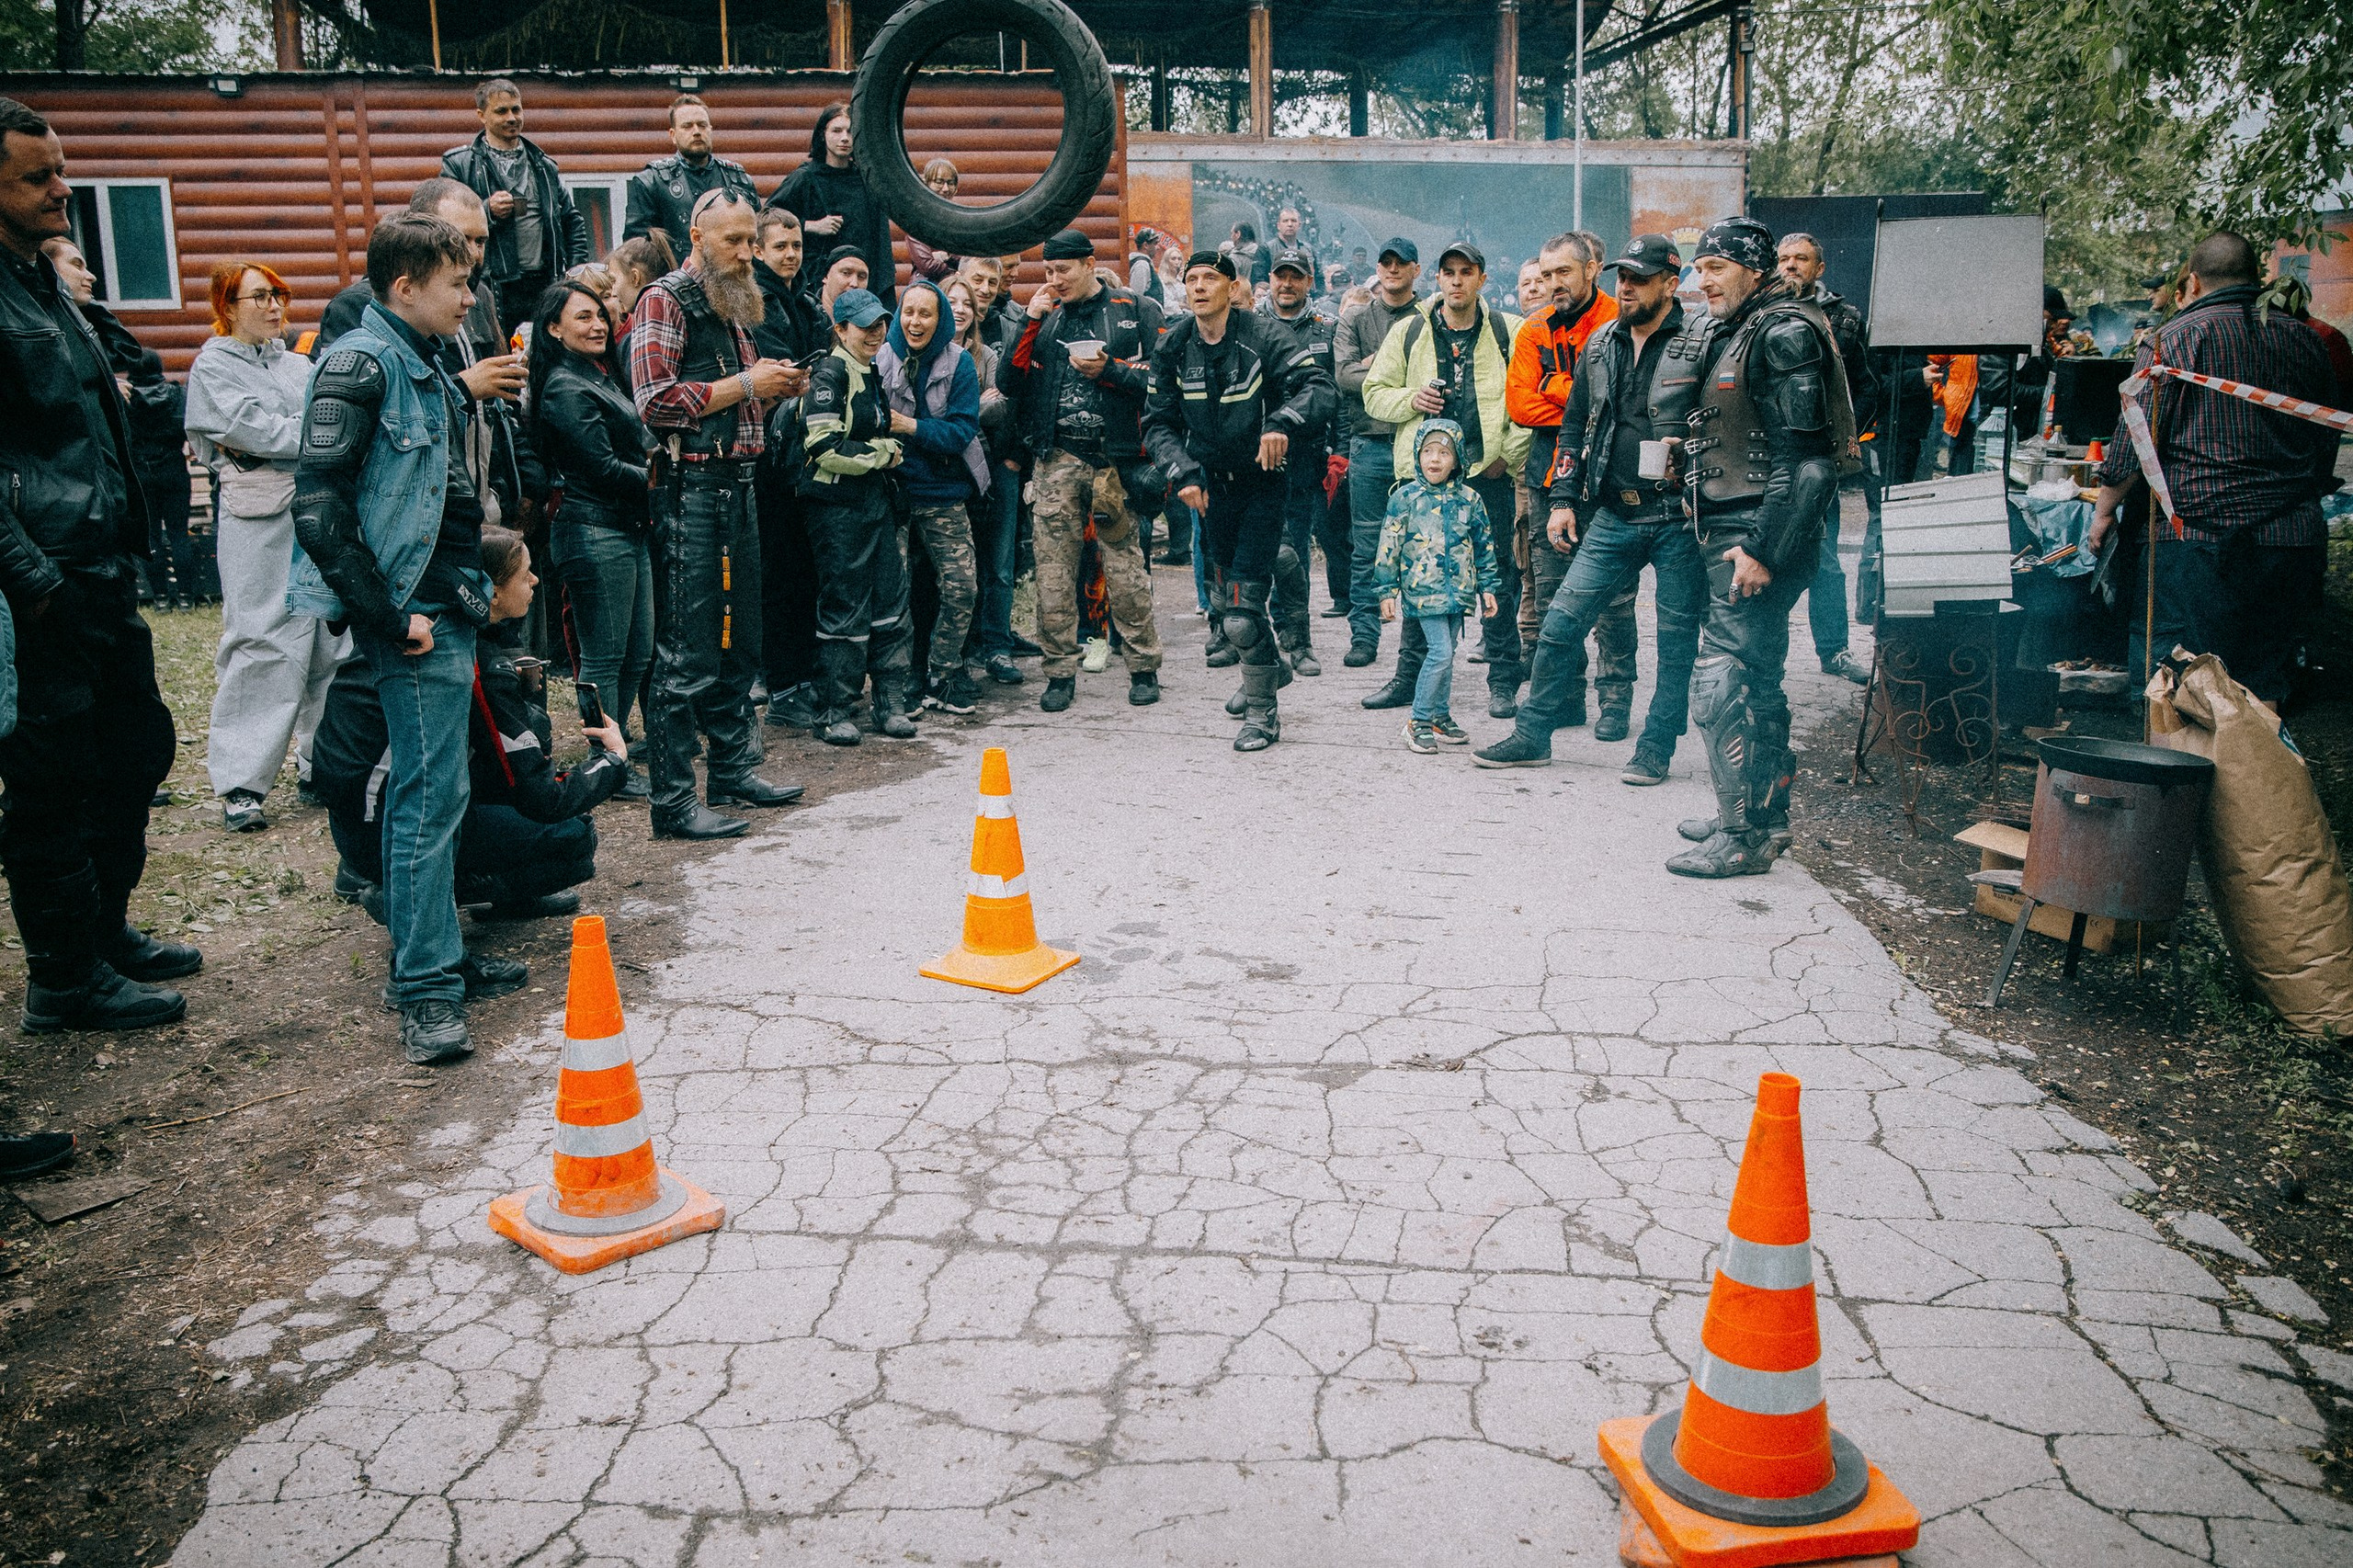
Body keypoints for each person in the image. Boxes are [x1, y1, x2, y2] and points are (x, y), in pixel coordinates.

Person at [290, 211, 510, 1062]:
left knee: (441, 792)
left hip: (444, 605)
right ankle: (425, 989)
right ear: (405, 285)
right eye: (458, 282)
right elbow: (318, 505)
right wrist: (387, 615)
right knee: (425, 797)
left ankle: (434, 952)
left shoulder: (424, 360)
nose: (471, 297)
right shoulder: (359, 362)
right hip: (413, 619)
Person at [0, 98, 193, 1034]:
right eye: (38, 176)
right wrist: (33, 580)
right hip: (45, 580)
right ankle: (65, 978)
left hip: (103, 566)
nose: (62, 189)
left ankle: (103, 930)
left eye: (63, 169)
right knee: (52, 781)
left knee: (136, 749)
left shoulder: (47, 285)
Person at [1656, 217, 1856, 879]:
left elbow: (1809, 465)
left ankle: (1740, 835)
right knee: (1757, 680)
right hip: (1740, 528)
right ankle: (1760, 819)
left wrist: (1761, 549)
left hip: (1756, 534)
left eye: (1716, 267)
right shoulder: (1749, 326)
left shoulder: (1782, 331)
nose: (1703, 281)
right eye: (1699, 268)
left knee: (1722, 680)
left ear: (1753, 269)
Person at [312, 528, 626, 948]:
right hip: (384, 831)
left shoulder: (436, 625)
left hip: (361, 819)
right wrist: (612, 761)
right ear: (490, 594)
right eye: (525, 574)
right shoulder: (470, 659)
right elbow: (542, 797)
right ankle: (411, 900)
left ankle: (431, 891)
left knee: (517, 758)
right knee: (573, 836)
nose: (536, 581)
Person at [1474, 233, 1711, 788]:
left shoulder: (1703, 339)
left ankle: (1655, 747)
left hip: (1678, 516)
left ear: (1670, 284)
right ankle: (1533, 734)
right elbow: (1574, 426)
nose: (1626, 287)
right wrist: (1562, 498)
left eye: (1640, 279)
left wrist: (1693, 456)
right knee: (1560, 623)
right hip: (1613, 512)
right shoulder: (1603, 343)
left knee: (1676, 639)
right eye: (1622, 277)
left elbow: (1723, 418)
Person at [2091, 232, 2338, 710]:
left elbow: (2136, 439)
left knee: (2177, 683)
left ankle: (2179, 762)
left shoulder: (2171, 339)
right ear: (2257, 278)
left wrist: (2104, 511)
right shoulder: (2307, 340)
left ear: (2194, 282)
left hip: (2195, 539)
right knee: (2262, 683)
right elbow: (2326, 438)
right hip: (2290, 537)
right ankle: (2254, 760)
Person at [630, 190, 805, 836]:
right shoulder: (665, 298)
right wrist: (751, 383)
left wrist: (775, 385)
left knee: (739, 643)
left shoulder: (732, 297)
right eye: (733, 241)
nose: (747, 253)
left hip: (738, 484)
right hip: (693, 490)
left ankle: (731, 771)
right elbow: (655, 400)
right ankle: (674, 802)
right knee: (688, 652)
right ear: (697, 236)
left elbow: (734, 396)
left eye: (751, 240)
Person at [1142, 249, 1334, 750]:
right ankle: (1269, 670)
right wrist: (1183, 472)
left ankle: (1263, 715)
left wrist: (1281, 422)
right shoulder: (1173, 344)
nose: (1199, 287)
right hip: (1211, 488)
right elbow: (1157, 423)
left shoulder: (1264, 335)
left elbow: (1320, 387)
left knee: (1242, 613)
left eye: (1210, 278)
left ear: (1232, 288)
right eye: (1192, 279)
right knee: (1228, 607)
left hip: (1265, 482)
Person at [187, 260, 348, 835]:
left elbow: (329, 420)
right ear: (226, 307)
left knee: (330, 642)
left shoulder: (299, 365)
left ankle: (320, 764)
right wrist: (312, 432)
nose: (273, 306)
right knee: (261, 641)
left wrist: (306, 432)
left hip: (318, 512)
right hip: (258, 518)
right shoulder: (214, 366)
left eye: (278, 294)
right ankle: (242, 783)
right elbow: (255, 430)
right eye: (258, 297)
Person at [996, 227, 1165, 711]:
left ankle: (1143, 667)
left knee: (1125, 570)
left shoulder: (1136, 309)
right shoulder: (1046, 318)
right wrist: (1029, 321)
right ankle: (1058, 673)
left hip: (1116, 459)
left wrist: (1110, 370)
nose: (1055, 279)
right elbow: (1009, 381)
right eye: (1048, 270)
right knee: (1053, 574)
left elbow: (1163, 380)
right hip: (1057, 458)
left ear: (1089, 264)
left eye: (1063, 270)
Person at [1360, 241, 1526, 719]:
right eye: (1449, 271)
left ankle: (1503, 680)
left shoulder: (1507, 330)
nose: (1456, 280)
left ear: (1482, 280)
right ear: (1437, 278)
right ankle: (1408, 678)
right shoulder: (1410, 330)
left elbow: (1526, 402)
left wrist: (1505, 457)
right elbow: (1373, 393)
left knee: (1498, 576)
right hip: (1425, 480)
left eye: (1466, 272)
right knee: (1418, 575)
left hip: (1486, 476)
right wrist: (1411, 399)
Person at [530, 278, 655, 801]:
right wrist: (658, 476)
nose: (598, 324)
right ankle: (602, 759)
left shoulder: (599, 375)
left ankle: (615, 748)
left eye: (600, 315)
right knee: (603, 657)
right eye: (582, 317)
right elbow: (599, 467)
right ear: (554, 329)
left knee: (637, 652)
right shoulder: (564, 386)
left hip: (624, 527)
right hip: (592, 530)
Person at [1504, 232, 1631, 732]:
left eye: (1564, 273)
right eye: (1547, 274)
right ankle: (1564, 697)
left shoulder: (1618, 322)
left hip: (1608, 476)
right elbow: (1520, 406)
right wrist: (1580, 400)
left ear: (1592, 269)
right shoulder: (1533, 329)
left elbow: (1618, 400)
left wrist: (1552, 384)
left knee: (1615, 598)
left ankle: (1615, 700)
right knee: (1552, 595)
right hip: (1547, 473)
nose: (1553, 283)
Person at [801, 287, 915, 744]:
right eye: (865, 325)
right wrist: (884, 453)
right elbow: (822, 446)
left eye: (881, 323)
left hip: (874, 504)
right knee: (845, 607)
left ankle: (890, 703)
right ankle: (833, 710)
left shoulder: (868, 369)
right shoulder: (830, 372)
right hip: (837, 510)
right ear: (841, 329)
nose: (876, 332)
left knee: (890, 603)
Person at [879, 278, 987, 716]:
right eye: (908, 312)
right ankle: (902, 678)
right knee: (896, 594)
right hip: (895, 494)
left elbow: (961, 431)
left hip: (944, 492)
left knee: (962, 587)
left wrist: (909, 426)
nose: (915, 322)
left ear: (940, 319)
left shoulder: (959, 363)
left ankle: (944, 672)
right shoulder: (881, 358)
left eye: (926, 313)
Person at [1775, 232, 1877, 681]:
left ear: (1819, 269)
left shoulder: (1844, 319)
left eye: (1801, 259)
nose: (1790, 265)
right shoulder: (1758, 310)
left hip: (1818, 461)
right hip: (1767, 458)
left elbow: (1866, 386)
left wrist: (1842, 439)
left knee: (1826, 561)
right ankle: (1750, 657)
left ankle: (1834, 650)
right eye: (1784, 258)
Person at [1372, 419, 1500, 752]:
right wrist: (1386, 591)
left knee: (1448, 653)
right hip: (1423, 590)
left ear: (1457, 460)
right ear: (1417, 455)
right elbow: (1388, 547)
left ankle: (1439, 715)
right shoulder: (1405, 498)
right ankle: (1418, 720)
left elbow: (1484, 546)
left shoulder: (1470, 499)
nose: (1435, 459)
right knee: (1440, 652)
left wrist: (1488, 586)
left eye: (1444, 453)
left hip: (1459, 591)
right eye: (1428, 451)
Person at [747, 207, 828, 732]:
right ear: (758, 250)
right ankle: (783, 688)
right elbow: (786, 373)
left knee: (804, 571)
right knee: (779, 576)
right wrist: (813, 377)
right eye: (780, 246)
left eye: (796, 245)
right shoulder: (757, 302)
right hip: (769, 458)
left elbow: (827, 360)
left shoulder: (801, 299)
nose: (791, 255)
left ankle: (802, 678)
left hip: (802, 454)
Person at [1334, 237, 1425, 667]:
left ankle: (1418, 644)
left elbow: (1440, 376)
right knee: (1366, 546)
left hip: (1420, 445)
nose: (1392, 269)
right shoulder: (1355, 317)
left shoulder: (1430, 316)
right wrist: (1402, 377)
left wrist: (1375, 370)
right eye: (1385, 262)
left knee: (1423, 545)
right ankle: (1364, 636)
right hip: (1369, 442)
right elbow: (1344, 377)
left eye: (1401, 263)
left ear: (1415, 270)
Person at [441, 77, 590, 331]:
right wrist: (486, 210)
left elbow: (572, 221)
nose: (511, 117)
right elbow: (445, 223)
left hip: (545, 283)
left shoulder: (543, 164)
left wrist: (575, 275)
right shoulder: (460, 164)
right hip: (489, 285)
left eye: (516, 109)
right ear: (481, 115)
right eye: (501, 111)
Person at [1262, 247, 1338, 676]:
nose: (1287, 284)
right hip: (1257, 452)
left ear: (1310, 281)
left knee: (1294, 553)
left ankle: (1297, 637)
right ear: (1270, 279)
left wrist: (1340, 450)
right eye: (1281, 275)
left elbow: (1336, 396)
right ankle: (1239, 633)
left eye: (1296, 276)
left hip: (1306, 455)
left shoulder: (1327, 327)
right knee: (1252, 548)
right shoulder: (1250, 324)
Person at [944, 274, 1020, 687]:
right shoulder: (926, 351)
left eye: (967, 304)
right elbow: (931, 416)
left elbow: (1001, 406)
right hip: (943, 469)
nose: (959, 310)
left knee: (999, 562)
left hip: (990, 464)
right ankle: (958, 651)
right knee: (957, 565)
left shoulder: (986, 355)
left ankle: (997, 647)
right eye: (952, 301)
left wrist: (956, 415)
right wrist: (972, 408)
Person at [772, 103, 896, 311]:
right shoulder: (805, 178)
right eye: (837, 131)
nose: (845, 138)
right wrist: (810, 226)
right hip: (816, 283)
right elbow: (770, 217)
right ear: (823, 135)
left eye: (850, 131)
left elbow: (879, 239)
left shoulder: (866, 181)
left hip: (861, 282)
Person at [624, 95, 758, 259]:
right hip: (675, 273)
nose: (696, 132)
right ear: (673, 135)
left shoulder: (738, 179)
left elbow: (757, 237)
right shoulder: (651, 182)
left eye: (702, 125)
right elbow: (637, 249)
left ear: (710, 130)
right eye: (687, 126)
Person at [906, 159, 962, 284]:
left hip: (958, 286)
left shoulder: (961, 220)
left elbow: (970, 259)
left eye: (950, 183)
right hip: (927, 285)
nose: (946, 189)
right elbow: (927, 266)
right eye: (939, 182)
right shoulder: (917, 220)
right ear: (926, 185)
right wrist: (954, 270)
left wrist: (947, 256)